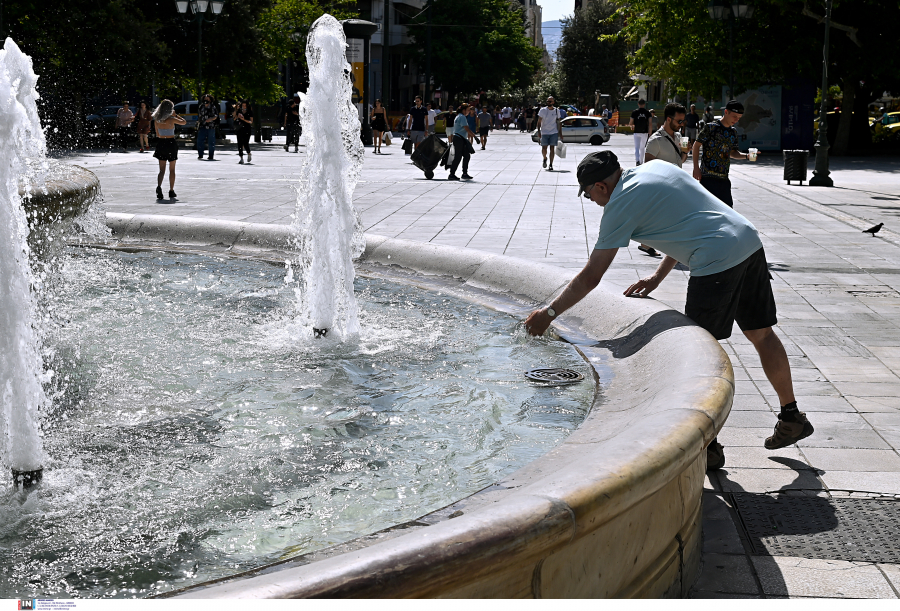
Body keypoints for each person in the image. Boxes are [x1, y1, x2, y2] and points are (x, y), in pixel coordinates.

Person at [524, 151, 814, 471]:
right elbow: (685, 219)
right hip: (746, 239)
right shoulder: (656, 169)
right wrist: (657, 278)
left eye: (588, 193)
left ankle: (708, 446)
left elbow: (592, 276)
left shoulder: (618, 206)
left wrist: (549, 314)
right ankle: (792, 416)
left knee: (699, 356)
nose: (590, 200)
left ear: (601, 187)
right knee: (761, 334)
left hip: (716, 260)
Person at [692, 99, 757, 207]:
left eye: (739, 118)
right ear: (726, 112)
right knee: (707, 211)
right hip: (708, 178)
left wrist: (747, 156)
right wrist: (696, 168)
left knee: (727, 211)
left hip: (724, 179)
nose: (736, 120)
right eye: (734, 116)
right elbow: (696, 145)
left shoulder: (733, 132)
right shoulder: (710, 127)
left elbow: (732, 153)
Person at [151, 99, 187, 200]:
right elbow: (184, 122)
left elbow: (158, 134)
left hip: (161, 143)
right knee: (172, 169)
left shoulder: (157, 120)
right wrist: (176, 115)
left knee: (161, 170)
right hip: (171, 143)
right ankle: (171, 190)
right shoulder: (171, 119)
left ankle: (159, 186)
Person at [448, 103, 477, 181]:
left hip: (460, 138)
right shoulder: (462, 117)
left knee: (466, 155)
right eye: (467, 110)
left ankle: (464, 174)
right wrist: (474, 136)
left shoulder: (459, 116)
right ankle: (452, 174)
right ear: (463, 110)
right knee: (458, 156)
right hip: (459, 139)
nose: (468, 112)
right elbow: (467, 128)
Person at [536, 96, 564, 171]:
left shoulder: (556, 111)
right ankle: (545, 158)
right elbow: (539, 122)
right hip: (544, 132)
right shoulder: (542, 110)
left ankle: (551, 164)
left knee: (552, 149)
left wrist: (560, 133)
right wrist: (539, 131)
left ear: (553, 102)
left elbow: (559, 122)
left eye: (550, 101)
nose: (548, 103)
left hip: (554, 132)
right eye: (548, 101)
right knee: (544, 148)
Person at [629, 99, 653, 165]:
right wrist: (650, 132)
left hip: (636, 132)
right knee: (642, 148)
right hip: (644, 132)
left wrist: (632, 126)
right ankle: (641, 162)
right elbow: (650, 123)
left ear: (638, 104)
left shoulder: (634, 112)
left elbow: (630, 123)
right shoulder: (648, 113)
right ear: (644, 104)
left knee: (636, 147)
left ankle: (637, 161)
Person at [196, 95, 218, 160]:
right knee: (200, 140)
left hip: (211, 126)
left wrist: (210, 119)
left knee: (211, 142)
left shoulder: (213, 107)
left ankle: (211, 155)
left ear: (210, 100)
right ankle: (200, 154)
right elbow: (199, 115)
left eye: (207, 99)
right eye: (205, 99)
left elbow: (216, 116)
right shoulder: (201, 106)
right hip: (202, 125)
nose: (206, 100)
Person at [235, 100, 253, 164]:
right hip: (239, 128)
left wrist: (244, 119)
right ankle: (241, 158)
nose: (244, 106)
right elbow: (235, 118)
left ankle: (249, 153)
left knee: (245, 142)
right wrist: (237, 114)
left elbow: (251, 121)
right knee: (240, 143)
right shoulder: (239, 111)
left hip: (247, 128)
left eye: (245, 105)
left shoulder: (249, 112)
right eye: (243, 105)